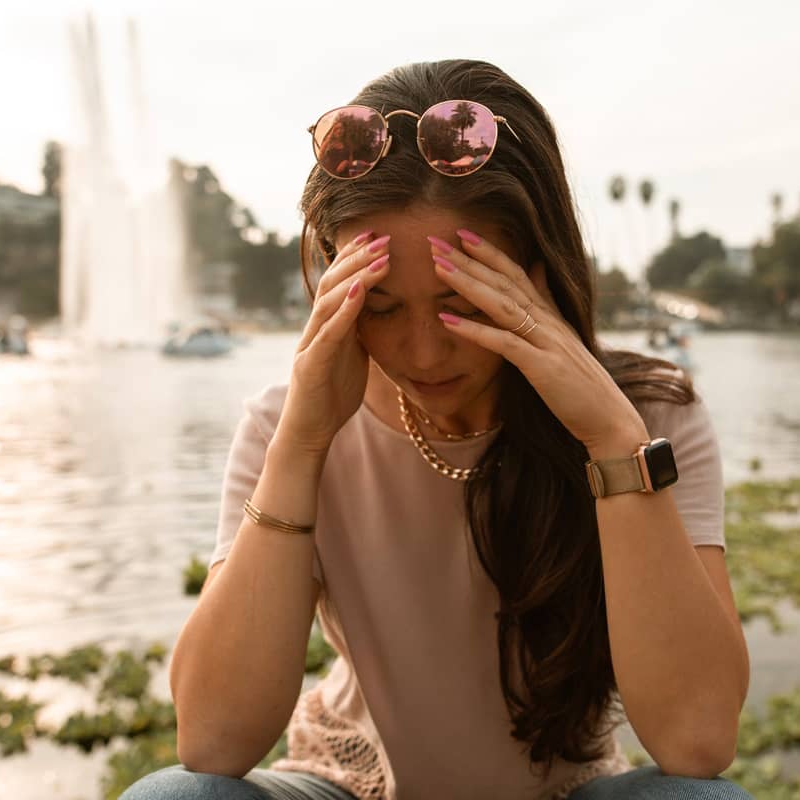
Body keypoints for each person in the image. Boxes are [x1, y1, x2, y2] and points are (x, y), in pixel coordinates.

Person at [122, 59, 751, 800]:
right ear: (333, 285)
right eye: (381, 308)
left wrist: (612, 445)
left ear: (539, 272)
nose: (422, 352)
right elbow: (213, 742)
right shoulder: (285, 427)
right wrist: (301, 446)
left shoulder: (650, 417)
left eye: (465, 302)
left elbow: (699, 740)